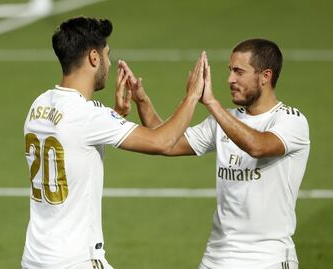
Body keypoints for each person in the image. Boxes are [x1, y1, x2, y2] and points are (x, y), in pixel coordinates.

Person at [22, 16, 209, 269]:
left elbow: (75, 141)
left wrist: (116, 115)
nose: (109, 63)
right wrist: (193, 95)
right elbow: (162, 142)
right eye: (107, 55)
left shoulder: (39, 104)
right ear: (93, 58)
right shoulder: (89, 116)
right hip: (76, 261)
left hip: (35, 258)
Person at [121, 38, 310, 269]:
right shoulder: (223, 120)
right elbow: (167, 143)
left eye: (239, 72)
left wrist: (211, 103)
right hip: (216, 258)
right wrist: (142, 100)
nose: (230, 79)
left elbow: (258, 146)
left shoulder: (291, 121)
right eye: (230, 71)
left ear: (265, 76)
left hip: (266, 258)